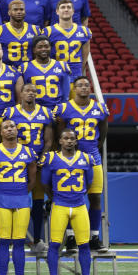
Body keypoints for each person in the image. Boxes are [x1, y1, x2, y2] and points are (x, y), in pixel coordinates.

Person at [0, 119, 39, 275]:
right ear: (1, 132)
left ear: (17, 130)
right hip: (2, 200)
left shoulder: (28, 152)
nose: (9, 129)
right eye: (5, 127)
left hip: (21, 200)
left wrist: (20, 193)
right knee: (4, 241)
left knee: (20, 241)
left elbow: (32, 180)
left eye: (12, 126)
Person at [42, 129, 99, 275]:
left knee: (84, 244)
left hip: (79, 205)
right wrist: (55, 198)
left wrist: (77, 196)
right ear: (60, 141)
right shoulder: (52, 158)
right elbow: (45, 183)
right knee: (54, 244)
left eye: (72, 138)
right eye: (65, 138)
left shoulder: (86, 158)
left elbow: (88, 183)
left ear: (76, 141)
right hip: (60, 205)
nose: (69, 141)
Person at [55, 76, 109, 251]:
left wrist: (95, 146)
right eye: (80, 85)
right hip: (71, 160)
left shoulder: (99, 108)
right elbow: (59, 133)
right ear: (74, 88)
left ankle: (94, 237)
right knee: (71, 197)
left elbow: (103, 129)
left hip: (92, 158)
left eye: (87, 85)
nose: (84, 88)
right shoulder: (64, 108)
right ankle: (71, 238)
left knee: (95, 197)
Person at [2, 82, 54, 255]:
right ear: (21, 93)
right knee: (12, 201)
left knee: (38, 202)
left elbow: (48, 140)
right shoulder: (10, 112)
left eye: (34, 91)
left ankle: (37, 239)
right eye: (27, 91)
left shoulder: (45, 112)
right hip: (16, 163)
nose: (30, 93)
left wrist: (42, 158)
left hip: (37, 162)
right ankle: (10, 239)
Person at [19, 36, 72, 109]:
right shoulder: (25, 67)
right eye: (40, 47)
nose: (43, 49)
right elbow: (22, 93)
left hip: (56, 109)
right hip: (35, 111)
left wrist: (61, 109)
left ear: (50, 48)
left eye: (46, 46)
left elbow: (66, 92)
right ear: (34, 50)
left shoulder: (62, 66)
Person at [0, 0, 42, 67]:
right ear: (9, 12)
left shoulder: (35, 30)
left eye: (21, 9)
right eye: (15, 10)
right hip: (7, 71)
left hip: (28, 69)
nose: (19, 12)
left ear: (25, 12)